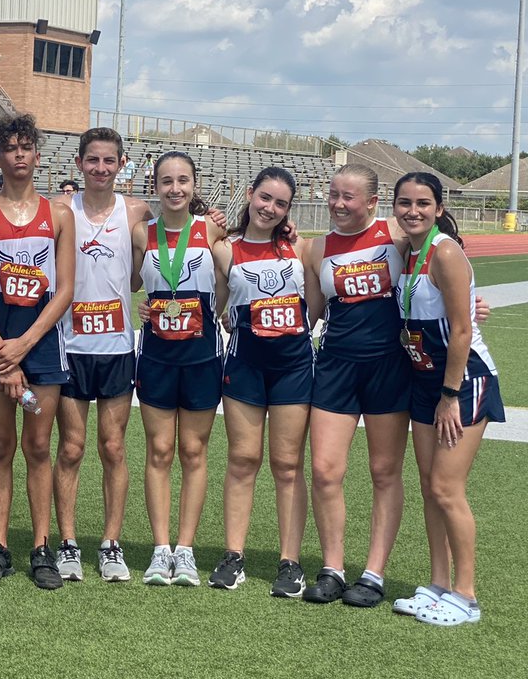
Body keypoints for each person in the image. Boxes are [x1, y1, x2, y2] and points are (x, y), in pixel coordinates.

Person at [0, 113, 75, 590]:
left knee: (38, 447)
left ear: (37, 154)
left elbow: (65, 290)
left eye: (26, 146)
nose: (19, 155)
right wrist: (4, 356)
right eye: (10, 148)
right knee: (1, 447)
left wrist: (24, 346)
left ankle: (41, 548)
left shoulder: (60, 215)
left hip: (42, 344)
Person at [391, 172, 503, 626]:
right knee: (428, 485)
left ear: (439, 208)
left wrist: (450, 395)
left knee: (445, 488)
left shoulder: (446, 252)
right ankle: (438, 584)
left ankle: (466, 595)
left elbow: (461, 331)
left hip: (462, 380)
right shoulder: (406, 251)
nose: (413, 211)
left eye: (423, 203)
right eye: (404, 203)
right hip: (423, 377)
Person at [208, 167, 320, 596]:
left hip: (293, 367)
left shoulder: (301, 248)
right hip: (245, 367)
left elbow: (316, 306)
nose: (270, 208)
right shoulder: (224, 249)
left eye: (280, 203)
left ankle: (290, 562)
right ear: (251, 194)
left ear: (289, 210)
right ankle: (233, 556)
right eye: (265, 198)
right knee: (242, 460)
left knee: (287, 465)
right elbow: (217, 306)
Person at [301, 164, 409, 607]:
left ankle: (373, 574)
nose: (338, 204)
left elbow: (441, 267)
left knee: (384, 472)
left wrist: (471, 302)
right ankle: (332, 568)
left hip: (389, 367)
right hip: (336, 368)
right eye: (333, 195)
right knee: (326, 471)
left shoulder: (397, 235)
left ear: (372, 202)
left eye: (348, 197)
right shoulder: (316, 249)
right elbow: (311, 315)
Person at [52, 127, 150, 582]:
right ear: (78, 163)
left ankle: (111, 544)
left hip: (116, 347)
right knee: (71, 448)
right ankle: (68, 543)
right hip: (69, 346)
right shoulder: (60, 209)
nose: (100, 168)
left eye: (109, 160)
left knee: (113, 447)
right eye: (92, 160)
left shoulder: (136, 210)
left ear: (122, 164)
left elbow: (182, 230)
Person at [131, 151, 226, 587]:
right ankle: (160, 548)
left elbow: (232, 277)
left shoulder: (212, 229)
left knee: (193, 451)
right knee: (159, 451)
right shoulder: (142, 232)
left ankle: (185, 550)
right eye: (166, 181)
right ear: (155, 186)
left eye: (183, 180)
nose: (175, 188)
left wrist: (218, 312)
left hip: (202, 357)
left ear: (194, 185)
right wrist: (143, 306)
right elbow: (131, 283)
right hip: (156, 357)